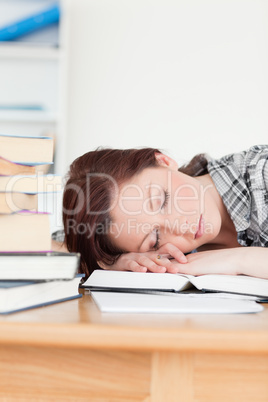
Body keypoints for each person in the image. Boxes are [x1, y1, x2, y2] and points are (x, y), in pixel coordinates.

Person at [54, 145, 268, 280]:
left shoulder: (262, 172)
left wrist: (240, 260)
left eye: (163, 199)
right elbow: (41, 243)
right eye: (155, 239)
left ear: (163, 161)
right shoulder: (164, 254)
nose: (178, 226)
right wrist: (108, 262)